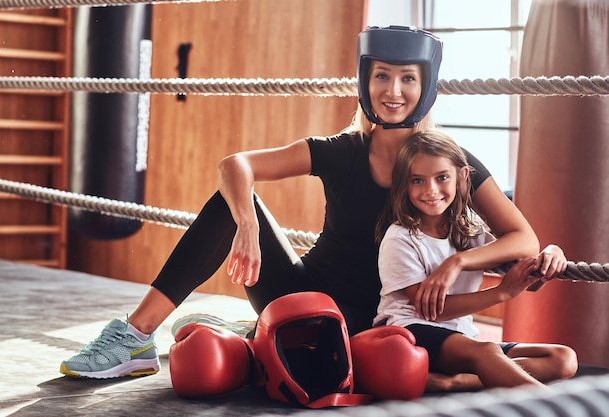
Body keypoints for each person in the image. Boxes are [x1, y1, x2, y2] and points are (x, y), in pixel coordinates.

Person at [59, 26, 567, 386]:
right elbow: (237, 164)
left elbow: (521, 237)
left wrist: (458, 260)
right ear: (366, 82)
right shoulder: (343, 150)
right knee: (228, 204)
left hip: (385, 325)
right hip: (301, 297)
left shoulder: (447, 162)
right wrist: (246, 227)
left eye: (408, 78)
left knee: (548, 363)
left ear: (425, 85)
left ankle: (258, 338)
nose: (393, 90)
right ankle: (134, 336)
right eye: (382, 76)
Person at [374, 130, 578, 391]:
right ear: (404, 183)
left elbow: (528, 278)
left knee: (563, 360)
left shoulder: (470, 233)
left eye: (442, 177)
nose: (431, 190)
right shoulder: (400, 238)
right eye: (417, 180)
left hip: (462, 339)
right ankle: (561, 408)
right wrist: (502, 293)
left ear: (463, 177)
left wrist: (552, 253)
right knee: (487, 352)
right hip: (411, 334)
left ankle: (454, 382)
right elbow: (433, 311)